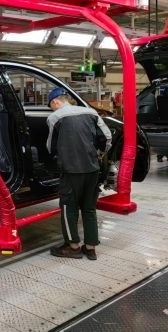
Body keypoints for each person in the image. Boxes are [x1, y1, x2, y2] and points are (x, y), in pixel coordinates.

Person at [46, 87, 112, 260]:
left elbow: (51, 146)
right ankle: (90, 248)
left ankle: (72, 246)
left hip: (71, 171)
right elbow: (107, 137)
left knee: (69, 207)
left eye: (51, 105)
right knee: (89, 208)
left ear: (55, 102)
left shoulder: (55, 117)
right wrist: (98, 155)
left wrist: (60, 157)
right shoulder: (91, 112)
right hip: (92, 168)